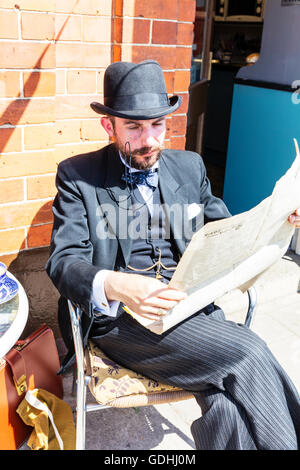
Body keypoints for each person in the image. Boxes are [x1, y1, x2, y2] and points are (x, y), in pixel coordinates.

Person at [46, 59, 300, 450]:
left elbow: (228, 231)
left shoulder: (189, 165)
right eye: (133, 126)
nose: (149, 140)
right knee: (249, 353)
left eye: (157, 125)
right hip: (123, 323)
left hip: (191, 308)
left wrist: (281, 220)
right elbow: (63, 260)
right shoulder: (78, 176)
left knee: (226, 406)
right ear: (108, 125)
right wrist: (115, 284)